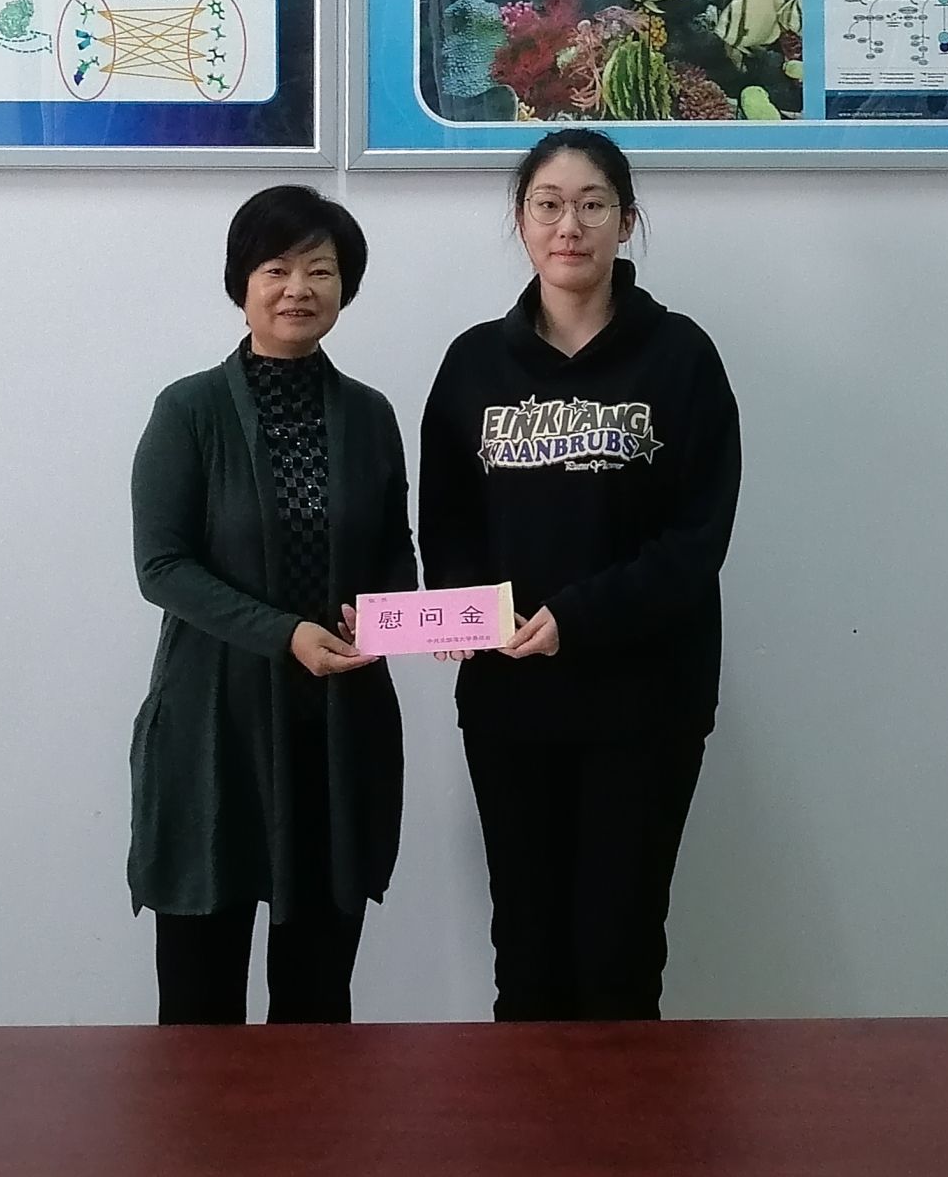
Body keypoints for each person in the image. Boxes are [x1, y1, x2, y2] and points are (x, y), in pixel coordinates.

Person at [419, 127, 743, 1022]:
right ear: (521, 220)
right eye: (549, 205)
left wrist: (577, 616)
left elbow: (696, 538)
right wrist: (462, 607)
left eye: (593, 204)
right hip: (510, 704)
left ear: (626, 222)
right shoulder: (473, 363)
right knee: (526, 955)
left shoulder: (680, 356)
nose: (570, 225)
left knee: (619, 955)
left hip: (646, 703)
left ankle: (625, 1122)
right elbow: (446, 521)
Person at [128, 185, 417, 1025]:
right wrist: (285, 632)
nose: (299, 288)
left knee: (317, 1002)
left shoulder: (370, 415)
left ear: (344, 286)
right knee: (200, 1007)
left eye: (320, 270)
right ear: (242, 283)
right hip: (214, 731)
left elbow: (392, 548)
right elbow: (162, 566)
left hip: (334, 731)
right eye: (276, 268)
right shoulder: (187, 411)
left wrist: (397, 615)